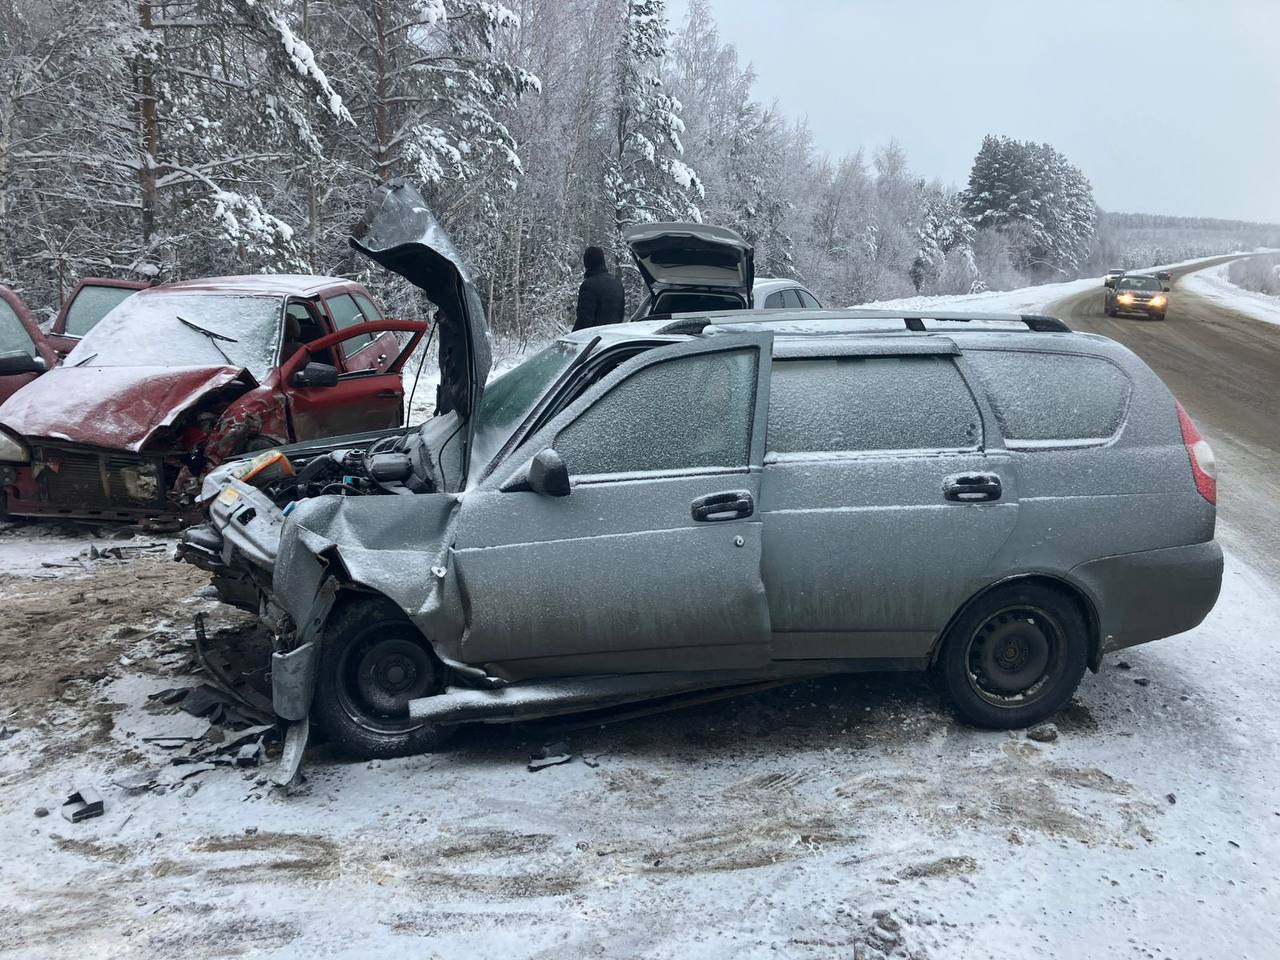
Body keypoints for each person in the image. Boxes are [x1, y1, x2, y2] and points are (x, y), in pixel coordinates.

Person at [574, 245, 626, 331]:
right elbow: (620, 316)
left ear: (587, 263)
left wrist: (572, 338)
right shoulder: (617, 284)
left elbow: (584, 320)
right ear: (602, 261)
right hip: (613, 339)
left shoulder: (588, 285)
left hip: (594, 339)